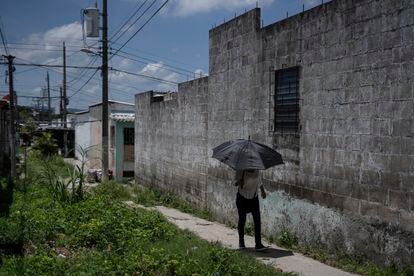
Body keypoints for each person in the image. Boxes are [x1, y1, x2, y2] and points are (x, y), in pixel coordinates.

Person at [235, 169, 267, 251]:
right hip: (242, 198)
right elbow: (235, 183)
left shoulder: (257, 170)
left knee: (257, 220)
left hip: (254, 198)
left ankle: (258, 244)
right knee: (242, 219)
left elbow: (259, 181)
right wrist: (239, 182)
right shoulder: (241, 170)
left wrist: (262, 190)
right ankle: (241, 242)